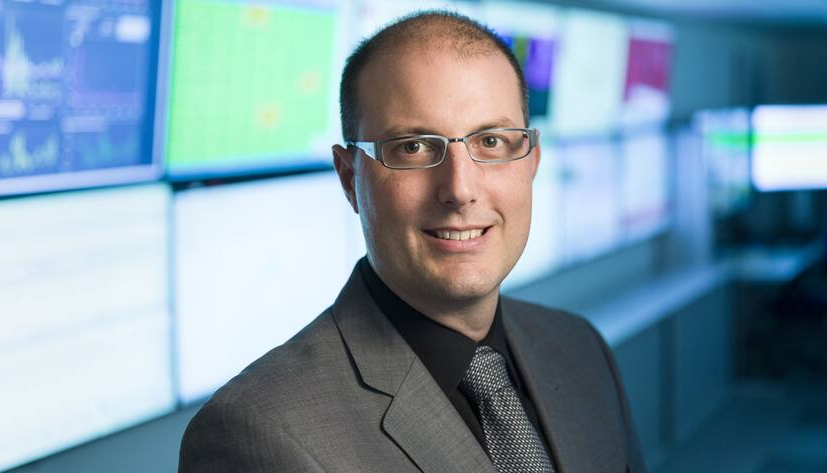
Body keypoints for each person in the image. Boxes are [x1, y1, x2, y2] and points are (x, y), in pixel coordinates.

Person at [179, 11, 646, 473]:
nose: (461, 189)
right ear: (349, 179)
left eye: (492, 141)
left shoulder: (581, 349)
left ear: (531, 162)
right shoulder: (256, 433)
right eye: (414, 147)